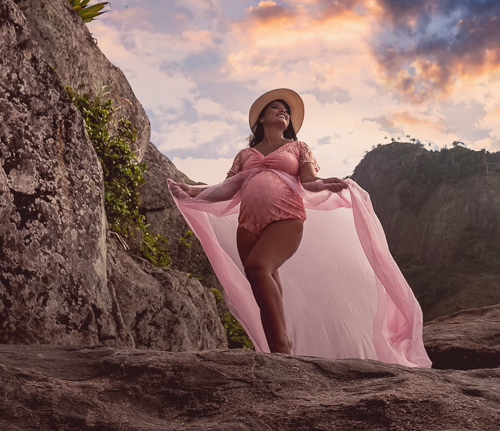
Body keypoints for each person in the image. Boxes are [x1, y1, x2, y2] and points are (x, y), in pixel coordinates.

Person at [167, 89, 430, 367]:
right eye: (276, 107)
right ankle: (277, 353)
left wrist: (326, 184)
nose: (283, 111)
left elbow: (309, 182)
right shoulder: (245, 154)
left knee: (257, 267)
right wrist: (192, 191)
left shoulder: (298, 147)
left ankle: (283, 345)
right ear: (261, 119)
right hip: (248, 225)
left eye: (286, 110)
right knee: (262, 286)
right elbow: (227, 188)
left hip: (286, 217)